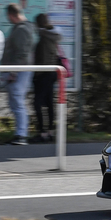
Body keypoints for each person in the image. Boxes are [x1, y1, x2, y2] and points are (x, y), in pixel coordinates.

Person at [2, 3, 35, 145]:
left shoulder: (22, 29)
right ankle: (20, 133)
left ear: (11, 15)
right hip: (18, 70)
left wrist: (13, 72)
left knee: (17, 101)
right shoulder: (22, 28)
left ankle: (21, 135)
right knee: (15, 102)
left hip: (20, 71)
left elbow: (21, 53)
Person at [33, 13, 62, 143]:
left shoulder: (44, 37)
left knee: (37, 103)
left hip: (44, 74)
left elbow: (43, 60)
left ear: (38, 24)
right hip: (51, 73)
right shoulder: (52, 35)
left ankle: (43, 133)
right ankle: (50, 132)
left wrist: (36, 75)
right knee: (49, 103)